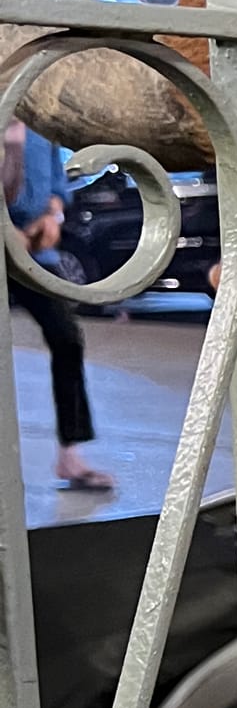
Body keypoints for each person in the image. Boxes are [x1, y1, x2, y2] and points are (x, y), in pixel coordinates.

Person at [4, 120, 112, 493]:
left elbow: (56, 185)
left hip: (35, 251)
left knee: (67, 337)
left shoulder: (40, 125)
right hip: (7, 240)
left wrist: (53, 215)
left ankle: (71, 453)